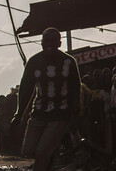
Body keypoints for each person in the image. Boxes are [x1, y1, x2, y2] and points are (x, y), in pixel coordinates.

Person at [13, 28, 81, 171]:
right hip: (38, 113)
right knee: (28, 150)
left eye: (53, 40)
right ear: (41, 42)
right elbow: (25, 89)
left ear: (59, 43)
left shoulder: (69, 62)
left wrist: (75, 113)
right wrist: (19, 114)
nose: (49, 43)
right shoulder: (34, 62)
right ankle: (51, 159)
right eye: (46, 40)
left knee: (42, 152)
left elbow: (75, 89)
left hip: (60, 115)